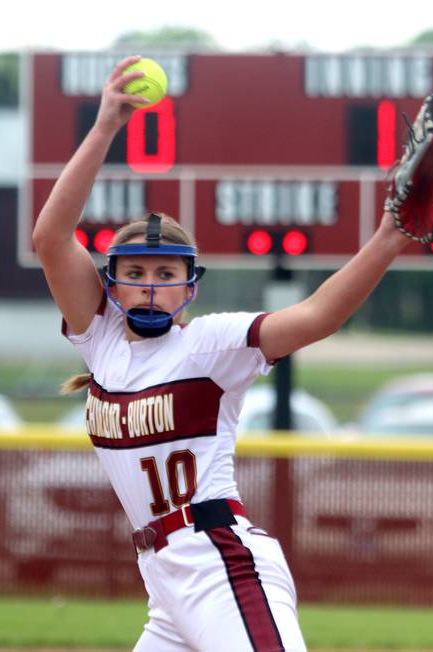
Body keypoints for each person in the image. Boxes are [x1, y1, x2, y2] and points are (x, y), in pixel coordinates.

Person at [32, 55, 410, 652]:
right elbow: (50, 238)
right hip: (163, 580)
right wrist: (106, 123)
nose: (150, 284)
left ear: (191, 286)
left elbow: (319, 315)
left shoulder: (208, 344)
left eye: (166, 272)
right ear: (111, 283)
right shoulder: (100, 338)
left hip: (220, 564)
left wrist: (390, 237)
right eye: (135, 272)